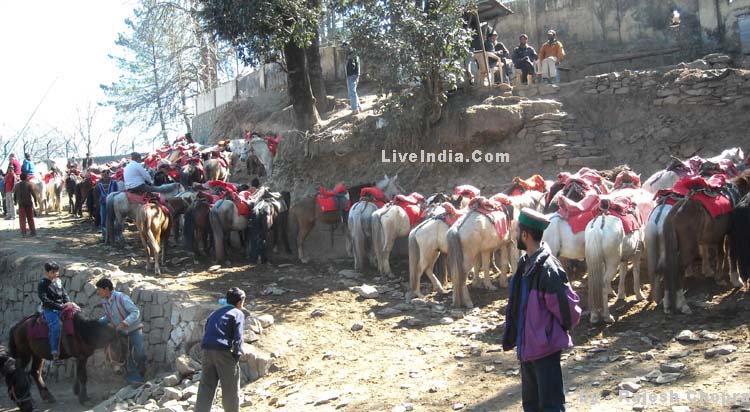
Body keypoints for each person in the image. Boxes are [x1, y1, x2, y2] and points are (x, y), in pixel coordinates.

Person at [503, 208, 582, 412]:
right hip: (528, 350)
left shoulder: (548, 270)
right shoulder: (525, 265)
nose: (513, 235)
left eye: (516, 231)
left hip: (544, 351)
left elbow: (569, 312)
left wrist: (547, 335)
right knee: (531, 406)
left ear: (525, 236)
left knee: (551, 407)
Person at [195, 287, 246, 412]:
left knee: (206, 387)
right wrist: (236, 355)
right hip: (223, 351)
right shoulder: (237, 313)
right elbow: (238, 337)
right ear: (240, 302)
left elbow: (207, 330)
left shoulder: (214, 313)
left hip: (207, 350)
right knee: (230, 389)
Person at [95, 278, 147, 385]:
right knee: (126, 355)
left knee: (140, 353)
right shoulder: (105, 301)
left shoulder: (121, 298)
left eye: (99, 289)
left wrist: (124, 323)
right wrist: (98, 323)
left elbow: (135, 312)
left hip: (133, 329)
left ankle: (143, 371)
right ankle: (134, 379)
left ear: (106, 289)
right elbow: (109, 316)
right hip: (121, 333)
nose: (98, 292)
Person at [38, 261, 69, 361]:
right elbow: (45, 300)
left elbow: (64, 294)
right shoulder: (42, 283)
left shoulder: (58, 281)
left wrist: (68, 303)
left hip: (62, 307)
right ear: (46, 272)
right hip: (50, 309)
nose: (56, 274)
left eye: (57, 272)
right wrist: (60, 307)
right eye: (53, 272)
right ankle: (54, 350)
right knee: (55, 327)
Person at [14, 173, 40, 237]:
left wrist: (15, 202)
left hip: (21, 204)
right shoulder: (29, 184)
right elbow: (33, 194)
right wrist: (36, 201)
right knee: (30, 218)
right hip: (28, 203)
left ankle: (24, 233)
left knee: (22, 219)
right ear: (26, 178)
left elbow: (15, 195)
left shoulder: (17, 185)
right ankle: (33, 231)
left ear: (20, 178)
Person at [97, 169, 118, 242]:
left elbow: (117, 192)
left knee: (114, 219)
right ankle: (105, 236)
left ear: (109, 174)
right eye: (103, 174)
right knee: (103, 220)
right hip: (103, 203)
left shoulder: (114, 182)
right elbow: (97, 194)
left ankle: (114, 236)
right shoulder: (98, 183)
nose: (105, 175)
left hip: (112, 203)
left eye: (106, 173)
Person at [344, 43, 361, 114]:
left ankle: (355, 109)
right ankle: (358, 106)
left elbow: (354, 66)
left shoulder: (351, 56)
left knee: (352, 92)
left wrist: (356, 75)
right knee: (353, 91)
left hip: (352, 75)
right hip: (353, 75)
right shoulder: (354, 55)